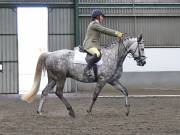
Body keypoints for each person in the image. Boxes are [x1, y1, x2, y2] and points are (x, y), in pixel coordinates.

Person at [83, 9, 124, 77]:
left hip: (94, 45)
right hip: (89, 45)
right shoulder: (94, 24)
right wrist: (117, 33)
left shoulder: (96, 24)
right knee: (97, 54)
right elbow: (105, 30)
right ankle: (86, 70)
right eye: (102, 16)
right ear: (97, 17)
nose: (103, 18)